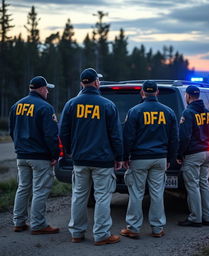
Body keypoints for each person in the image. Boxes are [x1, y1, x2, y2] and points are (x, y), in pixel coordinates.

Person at [59, 68, 123, 245]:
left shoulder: (71, 104)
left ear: (82, 83)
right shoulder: (107, 105)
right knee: (102, 196)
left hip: (80, 159)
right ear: (96, 82)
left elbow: (63, 131)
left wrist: (71, 150)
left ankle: (77, 233)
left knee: (79, 195)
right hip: (103, 160)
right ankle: (101, 235)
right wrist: (119, 157)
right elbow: (115, 135)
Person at [120, 80, 179, 238]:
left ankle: (133, 228)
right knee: (157, 193)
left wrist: (125, 157)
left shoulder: (134, 111)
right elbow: (174, 139)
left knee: (136, 193)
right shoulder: (169, 112)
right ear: (157, 92)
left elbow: (128, 137)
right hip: (160, 158)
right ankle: (157, 228)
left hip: (139, 158)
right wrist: (170, 158)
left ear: (142, 92)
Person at [9, 76, 60, 234]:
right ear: (41, 89)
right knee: (40, 190)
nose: (48, 92)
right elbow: (51, 136)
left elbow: (12, 131)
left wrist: (20, 147)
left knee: (23, 188)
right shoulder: (45, 107)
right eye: (47, 89)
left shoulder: (16, 106)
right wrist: (54, 155)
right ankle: (38, 224)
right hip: (39, 156)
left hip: (22, 155)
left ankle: (19, 222)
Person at [177, 85, 209, 227]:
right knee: (204, 184)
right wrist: (206, 145)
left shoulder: (188, 113)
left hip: (193, 154)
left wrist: (180, 154)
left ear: (187, 96)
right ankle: (207, 217)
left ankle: (195, 218)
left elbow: (184, 137)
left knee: (192, 186)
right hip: (206, 152)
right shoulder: (208, 112)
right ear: (198, 95)